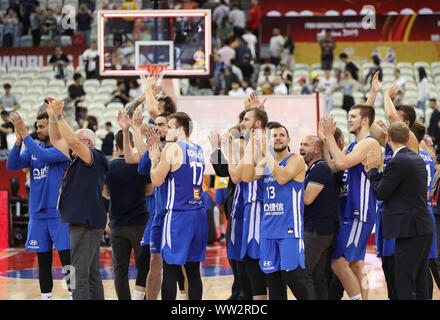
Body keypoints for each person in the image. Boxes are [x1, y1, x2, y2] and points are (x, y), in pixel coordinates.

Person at [44, 97, 108, 300]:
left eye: (77, 141)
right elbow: (57, 140)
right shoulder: (76, 159)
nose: (70, 145)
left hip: (85, 223)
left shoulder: (93, 156)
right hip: (82, 222)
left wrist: (60, 115)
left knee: (78, 276)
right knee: (91, 275)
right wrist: (53, 118)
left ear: (87, 143)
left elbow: (70, 140)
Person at [245, 122, 315, 300]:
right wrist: (252, 144)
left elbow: (282, 177)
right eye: (274, 135)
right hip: (268, 230)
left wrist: (266, 151)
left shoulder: (296, 160)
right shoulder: (265, 161)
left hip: (289, 230)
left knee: (294, 277)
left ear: (289, 139)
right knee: (273, 280)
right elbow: (246, 177)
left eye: (282, 135)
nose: (278, 138)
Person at [366, 121, 434, 300]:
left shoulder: (397, 162)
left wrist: (373, 170)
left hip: (409, 230)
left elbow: (380, 192)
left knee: (404, 283)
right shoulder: (416, 157)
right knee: (420, 281)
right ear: (407, 138)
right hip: (424, 227)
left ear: (388, 138)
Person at [6, 112, 71, 300]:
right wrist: (19, 140)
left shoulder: (62, 148)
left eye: (42, 126)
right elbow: (12, 165)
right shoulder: (35, 149)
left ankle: (75, 293)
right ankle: (46, 297)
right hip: (37, 216)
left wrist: (24, 133)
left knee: (68, 261)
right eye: (37, 126)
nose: (38, 130)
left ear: (53, 128)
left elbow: (43, 155)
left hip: (59, 215)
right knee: (43, 262)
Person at [320, 104, 382, 300]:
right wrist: (324, 142)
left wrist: (330, 137)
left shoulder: (369, 143)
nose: (349, 120)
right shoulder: (354, 145)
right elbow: (332, 167)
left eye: (353, 116)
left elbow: (341, 163)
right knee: (356, 264)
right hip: (351, 210)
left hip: (358, 211)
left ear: (364, 120)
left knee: (337, 262)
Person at [149, 112, 208, 300]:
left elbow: (156, 181)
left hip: (179, 215)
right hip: (199, 214)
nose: (166, 130)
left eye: (170, 126)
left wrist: (153, 160)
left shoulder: (172, 148)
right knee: (193, 270)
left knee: (171, 269)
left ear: (180, 129)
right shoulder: (198, 149)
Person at [104, 129, 151, 300]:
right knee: (143, 266)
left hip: (117, 224)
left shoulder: (109, 166)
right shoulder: (140, 163)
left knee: (120, 270)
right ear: (132, 143)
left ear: (116, 146)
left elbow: (105, 192)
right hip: (139, 223)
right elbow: (149, 189)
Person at [300, 135, 338, 300]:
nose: (301, 147)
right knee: (317, 277)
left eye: (306, 145)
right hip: (320, 230)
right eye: (301, 144)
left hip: (316, 230)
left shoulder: (320, 168)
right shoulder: (312, 169)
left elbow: (307, 199)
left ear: (317, 150)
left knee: (303, 274)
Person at [238, 107, 269, 300]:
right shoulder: (249, 144)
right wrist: (220, 149)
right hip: (246, 209)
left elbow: (244, 176)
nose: (241, 123)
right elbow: (234, 175)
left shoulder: (262, 144)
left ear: (257, 124)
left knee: (256, 265)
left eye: (246, 119)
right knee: (248, 266)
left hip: (259, 207)